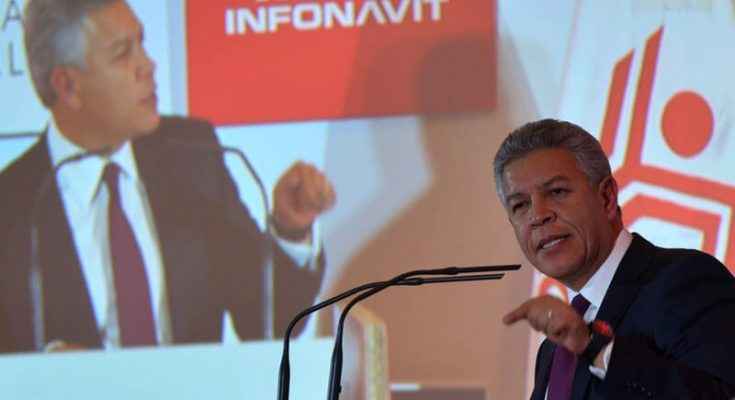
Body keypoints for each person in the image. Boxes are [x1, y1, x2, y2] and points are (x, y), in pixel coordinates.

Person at [0, 0, 335, 353]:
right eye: (122, 54)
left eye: (141, 43)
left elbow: (266, 321)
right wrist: (42, 368)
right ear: (68, 85)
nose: (147, 64)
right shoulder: (11, 206)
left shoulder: (191, 157)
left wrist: (289, 229)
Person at [494, 119, 735, 399]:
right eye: (520, 205)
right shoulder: (552, 350)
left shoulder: (685, 282)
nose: (538, 215)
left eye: (557, 192)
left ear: (607, 197)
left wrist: (595, 348)